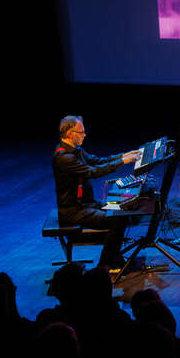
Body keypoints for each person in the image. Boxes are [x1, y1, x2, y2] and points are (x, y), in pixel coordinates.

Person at [52, 116, 141, 272]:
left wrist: (123, 156)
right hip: (74, 211)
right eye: (81, 132)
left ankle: (116, 259)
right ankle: (105, 266)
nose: (84, 135)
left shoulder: (76, 151)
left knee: (121, 209)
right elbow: (93, 172)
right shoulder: (64, 158)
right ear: (69, 133)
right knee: (117, 220)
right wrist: (123, 162)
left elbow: (97, 161)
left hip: (88, 204)